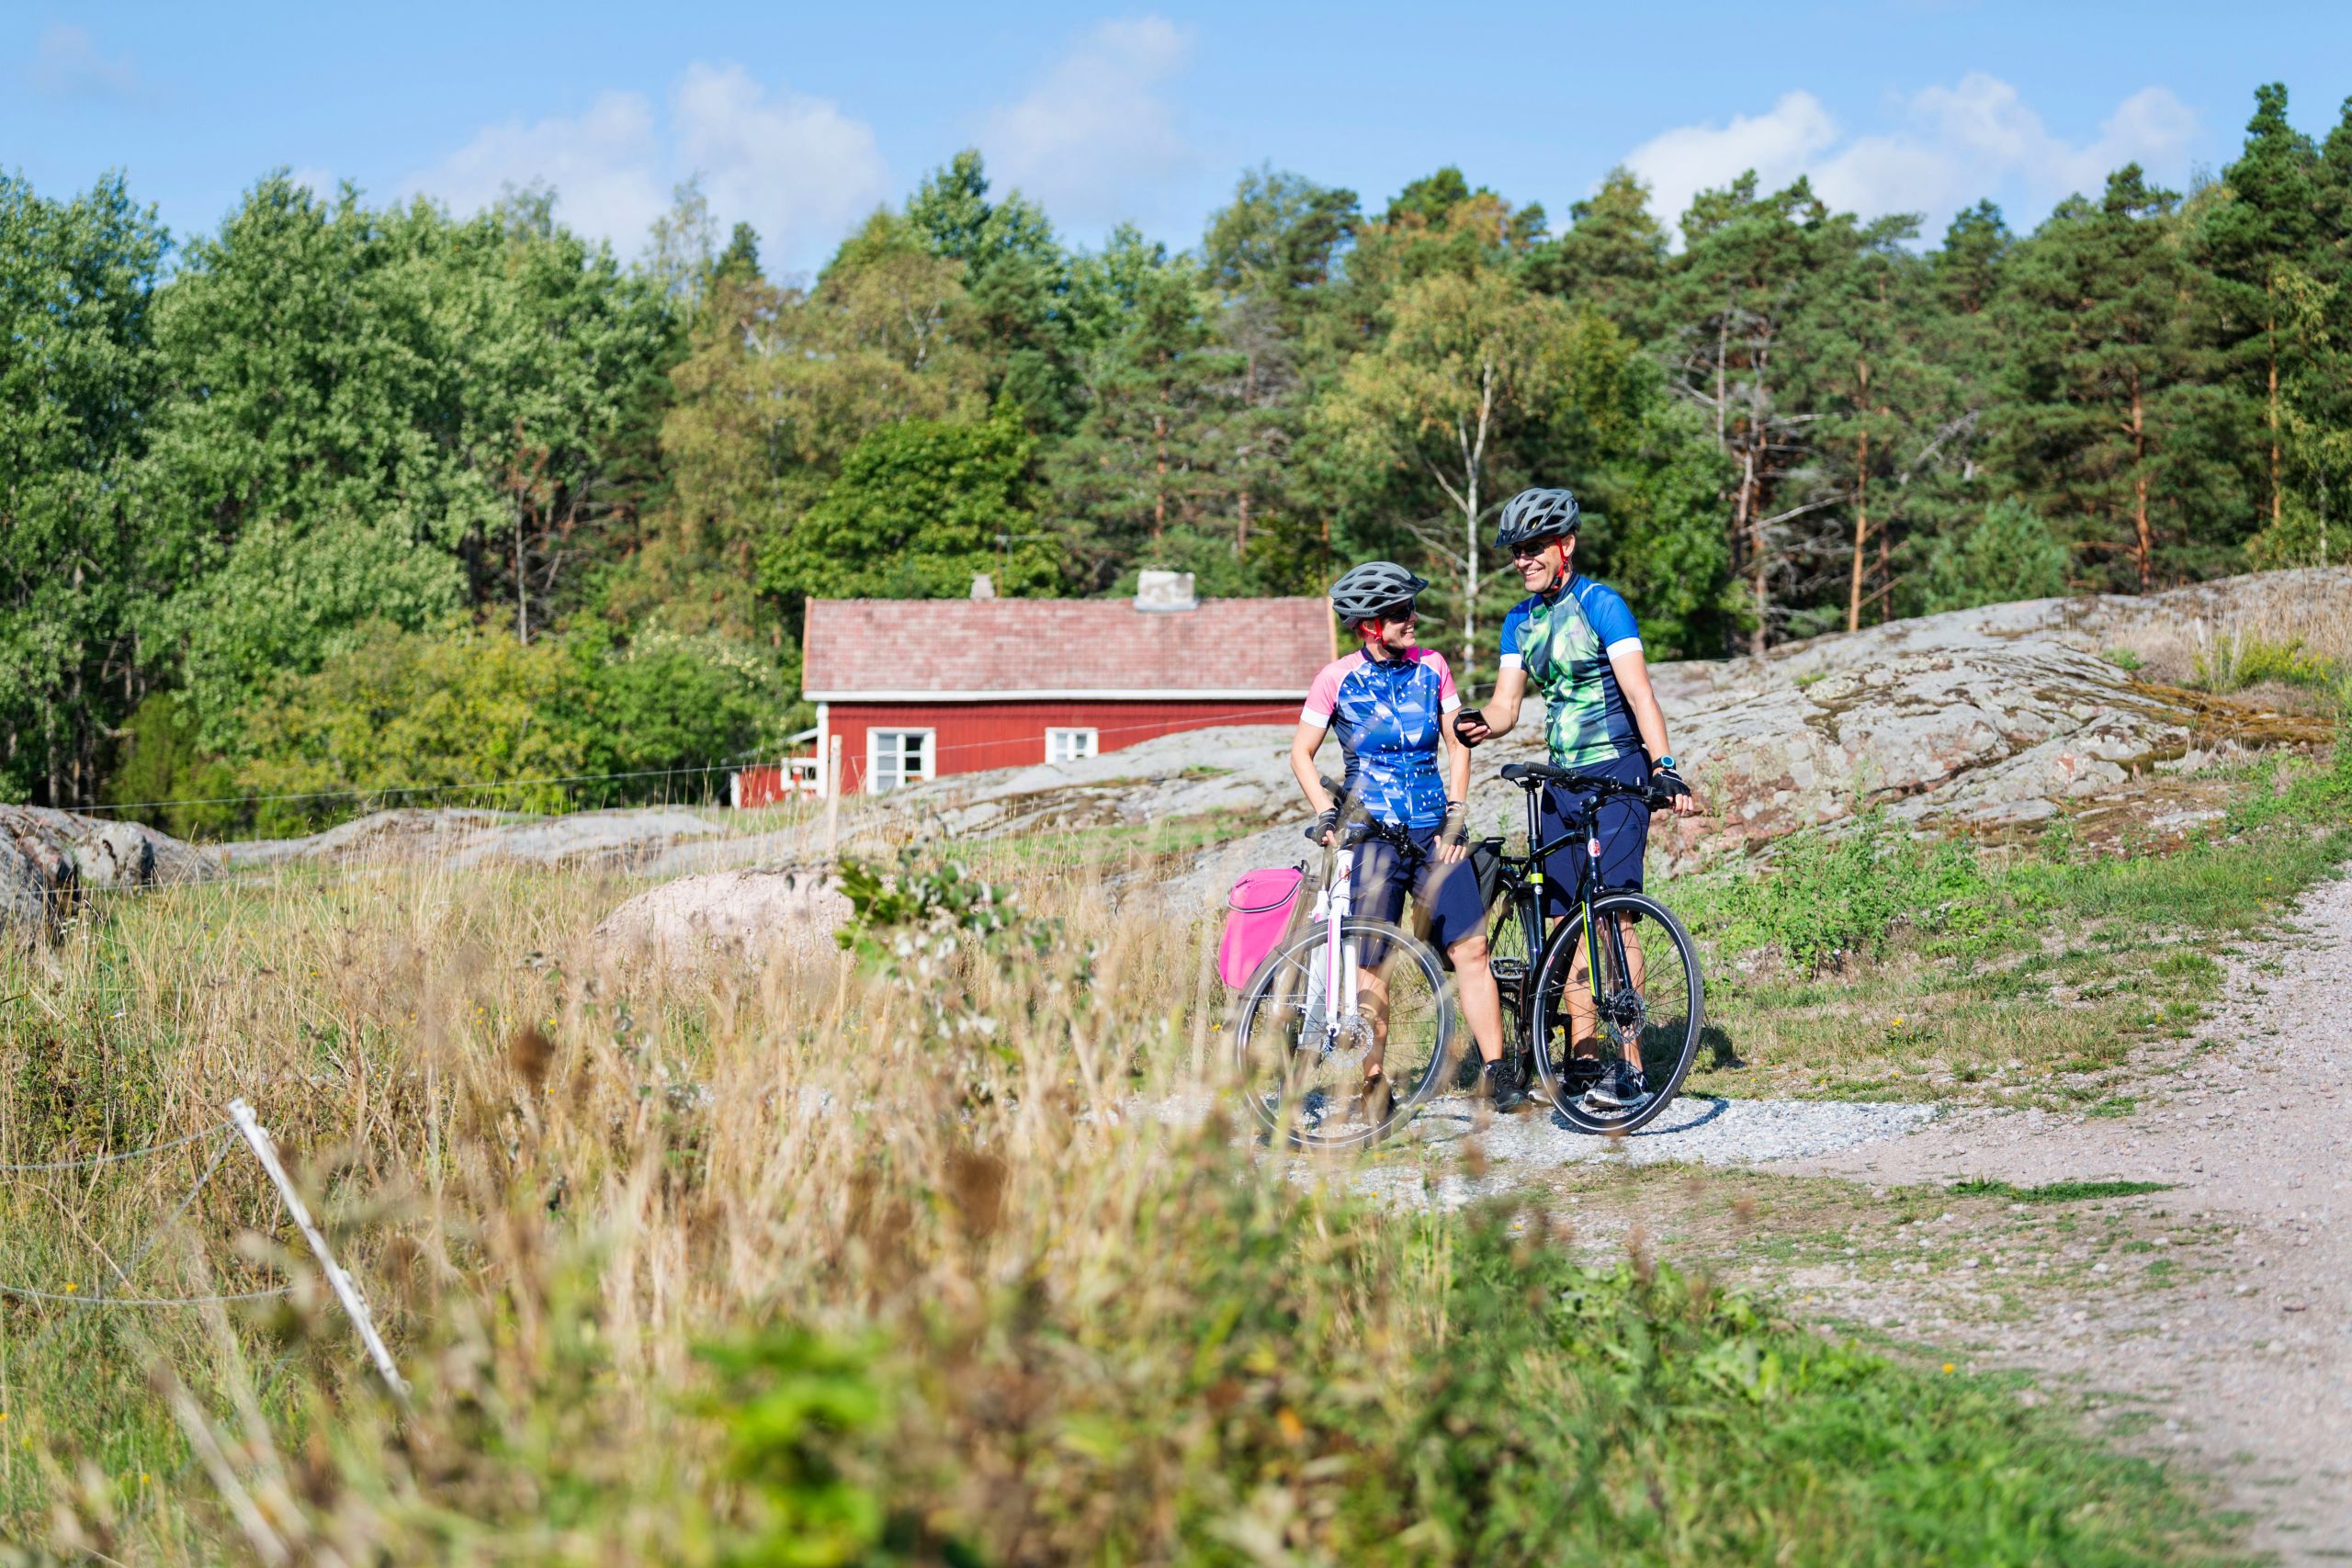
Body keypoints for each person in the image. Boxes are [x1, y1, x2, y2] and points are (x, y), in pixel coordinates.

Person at [1452, 487, 1701, 1113]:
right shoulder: (1519, 620)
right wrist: (1481, 724)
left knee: (1614, 915)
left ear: (1565, 545)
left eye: (1533, 548)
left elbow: (1640, 694)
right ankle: (1584, 1056)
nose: (1522, 560)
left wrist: (1664, 767)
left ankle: (1633, 1066)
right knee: (1565, 920)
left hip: (1616, 770)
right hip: (1560, 780)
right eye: (1516, 551)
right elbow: (1508, 707)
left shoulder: (1601, 605)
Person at [1290, 560, 1525, 1120]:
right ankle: (1375, 1085)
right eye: (1399, 613)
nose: (1412, 619)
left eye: (1411, 608)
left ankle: (1497, 1071)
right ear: (1370, 625)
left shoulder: (1433, 667)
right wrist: (1326, 813)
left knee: (1471, 948)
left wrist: (1456, 817)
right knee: (1374, 960)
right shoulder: (1336, 678)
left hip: (1434, 832)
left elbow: (1458, 742)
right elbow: (1301, 754)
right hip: (1370, 838)